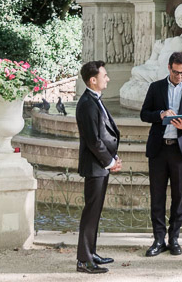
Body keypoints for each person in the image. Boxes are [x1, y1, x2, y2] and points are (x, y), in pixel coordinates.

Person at [140, 51, 182, 257]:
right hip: (158, 149)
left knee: (179, 197)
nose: (180, 76)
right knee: (157, 196)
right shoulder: (155, 87)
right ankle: (158, 240)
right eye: (176, 72)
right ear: (169, 68)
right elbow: (144, 114)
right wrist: (160, 115)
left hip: (180, 150)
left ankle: (174, 239)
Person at [75, 60, 122, 274]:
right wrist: (110, 162)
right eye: (105, 75)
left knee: (95, 212)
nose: (108, 78)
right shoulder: (86, 103)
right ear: (93, 80)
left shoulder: (94, 100)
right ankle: (84, 261)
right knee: (90, 212)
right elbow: (93, 140)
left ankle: (90, 253)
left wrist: (112, 157)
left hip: (100, 165)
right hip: (95, 166)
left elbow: (104, 134)